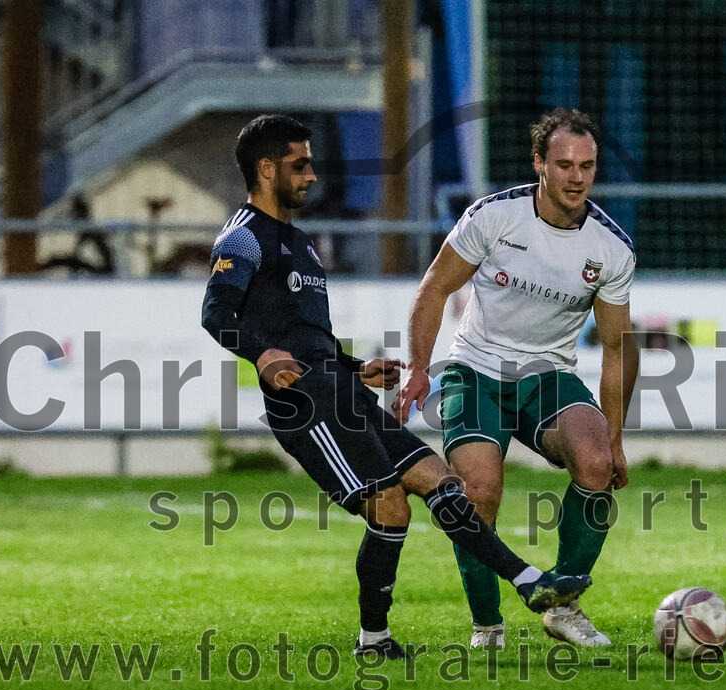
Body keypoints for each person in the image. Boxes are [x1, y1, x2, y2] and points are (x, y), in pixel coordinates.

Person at [201, 114, 591, 659]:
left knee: (441, 480)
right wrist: (262, 353)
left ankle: (521, 583)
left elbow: (307, 336)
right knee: (390, 507)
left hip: (340, 389)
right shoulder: (243, 237)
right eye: (300, 164)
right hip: (305, 405)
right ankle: (417, 624)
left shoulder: (299, 242)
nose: (312, 175)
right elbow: (216, 312)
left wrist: (354, 367)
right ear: (266, 169)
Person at [396, 108, 639, 649]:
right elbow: (434, 288)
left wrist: (616, 438)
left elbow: (619, 347)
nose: (577, 177)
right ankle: (488, 625)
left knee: (596, 462)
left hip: (548, 373)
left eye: (588, 166)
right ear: (539, 165)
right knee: (477, 490)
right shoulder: (495, 217)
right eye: (564, 164)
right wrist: (417, 368)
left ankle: (565, 606)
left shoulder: (611, 248)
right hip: (474, 369)